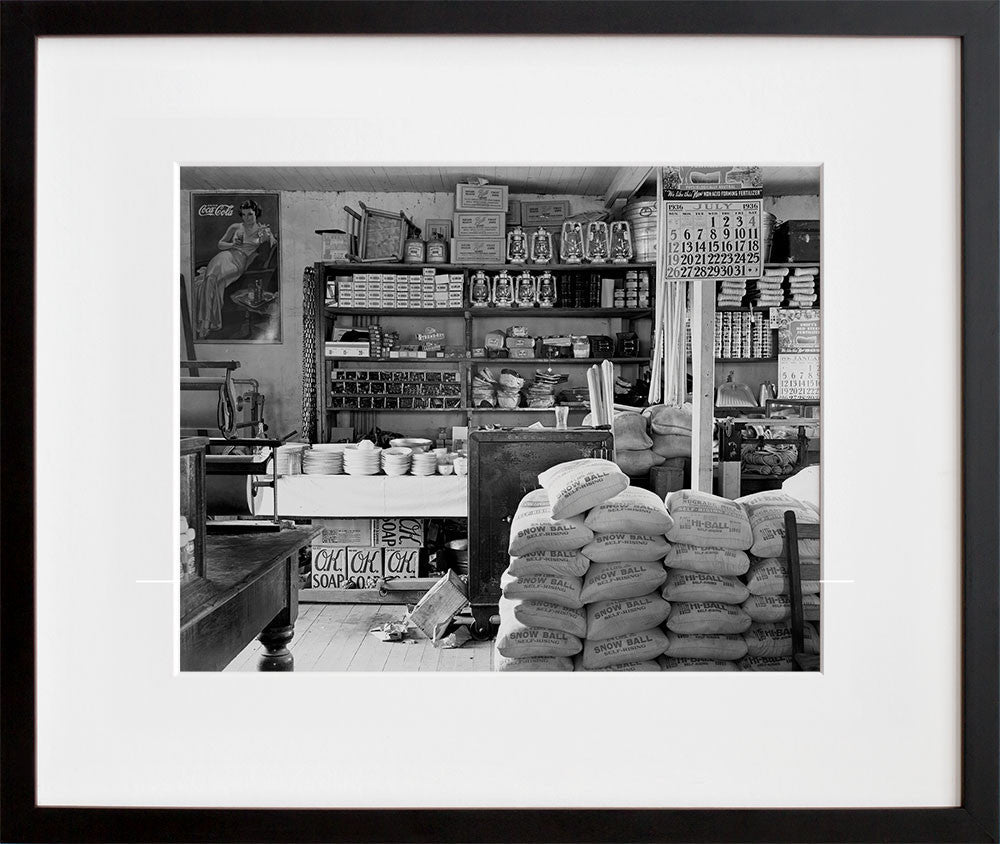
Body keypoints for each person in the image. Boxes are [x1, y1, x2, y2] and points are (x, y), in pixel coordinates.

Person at [192, 199, 278, 338]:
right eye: (243, 215)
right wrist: (232, 244)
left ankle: (207, 322)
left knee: (215, 282)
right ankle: (205, 323)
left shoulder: (262, 231)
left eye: (250, 214)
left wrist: (268, 236)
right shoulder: (235, 227)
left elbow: (273, 244)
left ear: (256, 213)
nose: (246, 218)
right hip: (225, 255)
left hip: (239, 263)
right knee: (210, 279)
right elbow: (220, 244)